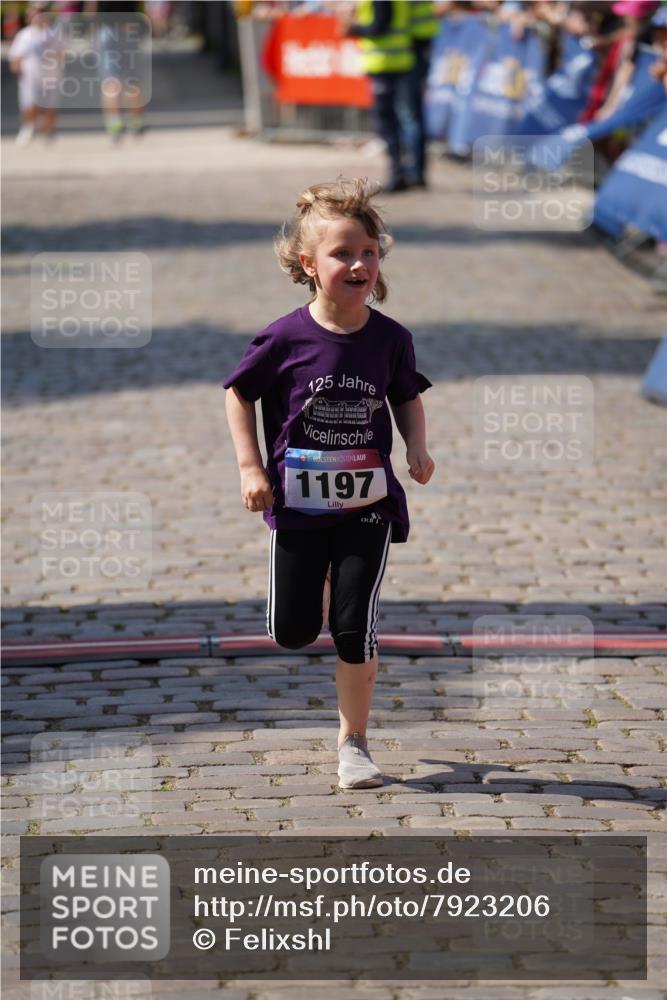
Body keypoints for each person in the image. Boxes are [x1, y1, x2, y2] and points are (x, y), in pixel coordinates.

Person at [224, 177, 434, 789]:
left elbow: (406, 398)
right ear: (307, 264)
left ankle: (355, 743)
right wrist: (250, 466)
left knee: (352, 626)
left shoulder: (391, 338)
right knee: (290, 632)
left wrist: (417, 444)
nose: (359, 263)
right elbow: (238, 395)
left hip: (366, 503)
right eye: (343, 252)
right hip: (295, 501)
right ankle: (315, 586)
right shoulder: (285, 337)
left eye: (368, 251)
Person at [340, 2, 419, 191]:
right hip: (398, 60)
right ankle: (410, 172)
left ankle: (398, 173)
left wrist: (353, 27)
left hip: (385, 64)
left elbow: (378, 27)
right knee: (403, 120)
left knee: (388, 123)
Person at [9, 2, 62, 145]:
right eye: (36, 12)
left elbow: (60, 53)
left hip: (50, 76)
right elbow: (16, 56)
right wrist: (16, 68)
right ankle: (29, 128)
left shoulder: (54, 33)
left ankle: (49, 131)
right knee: (29, 104)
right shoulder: (25, 35)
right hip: (30, 75)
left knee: (50, 105)